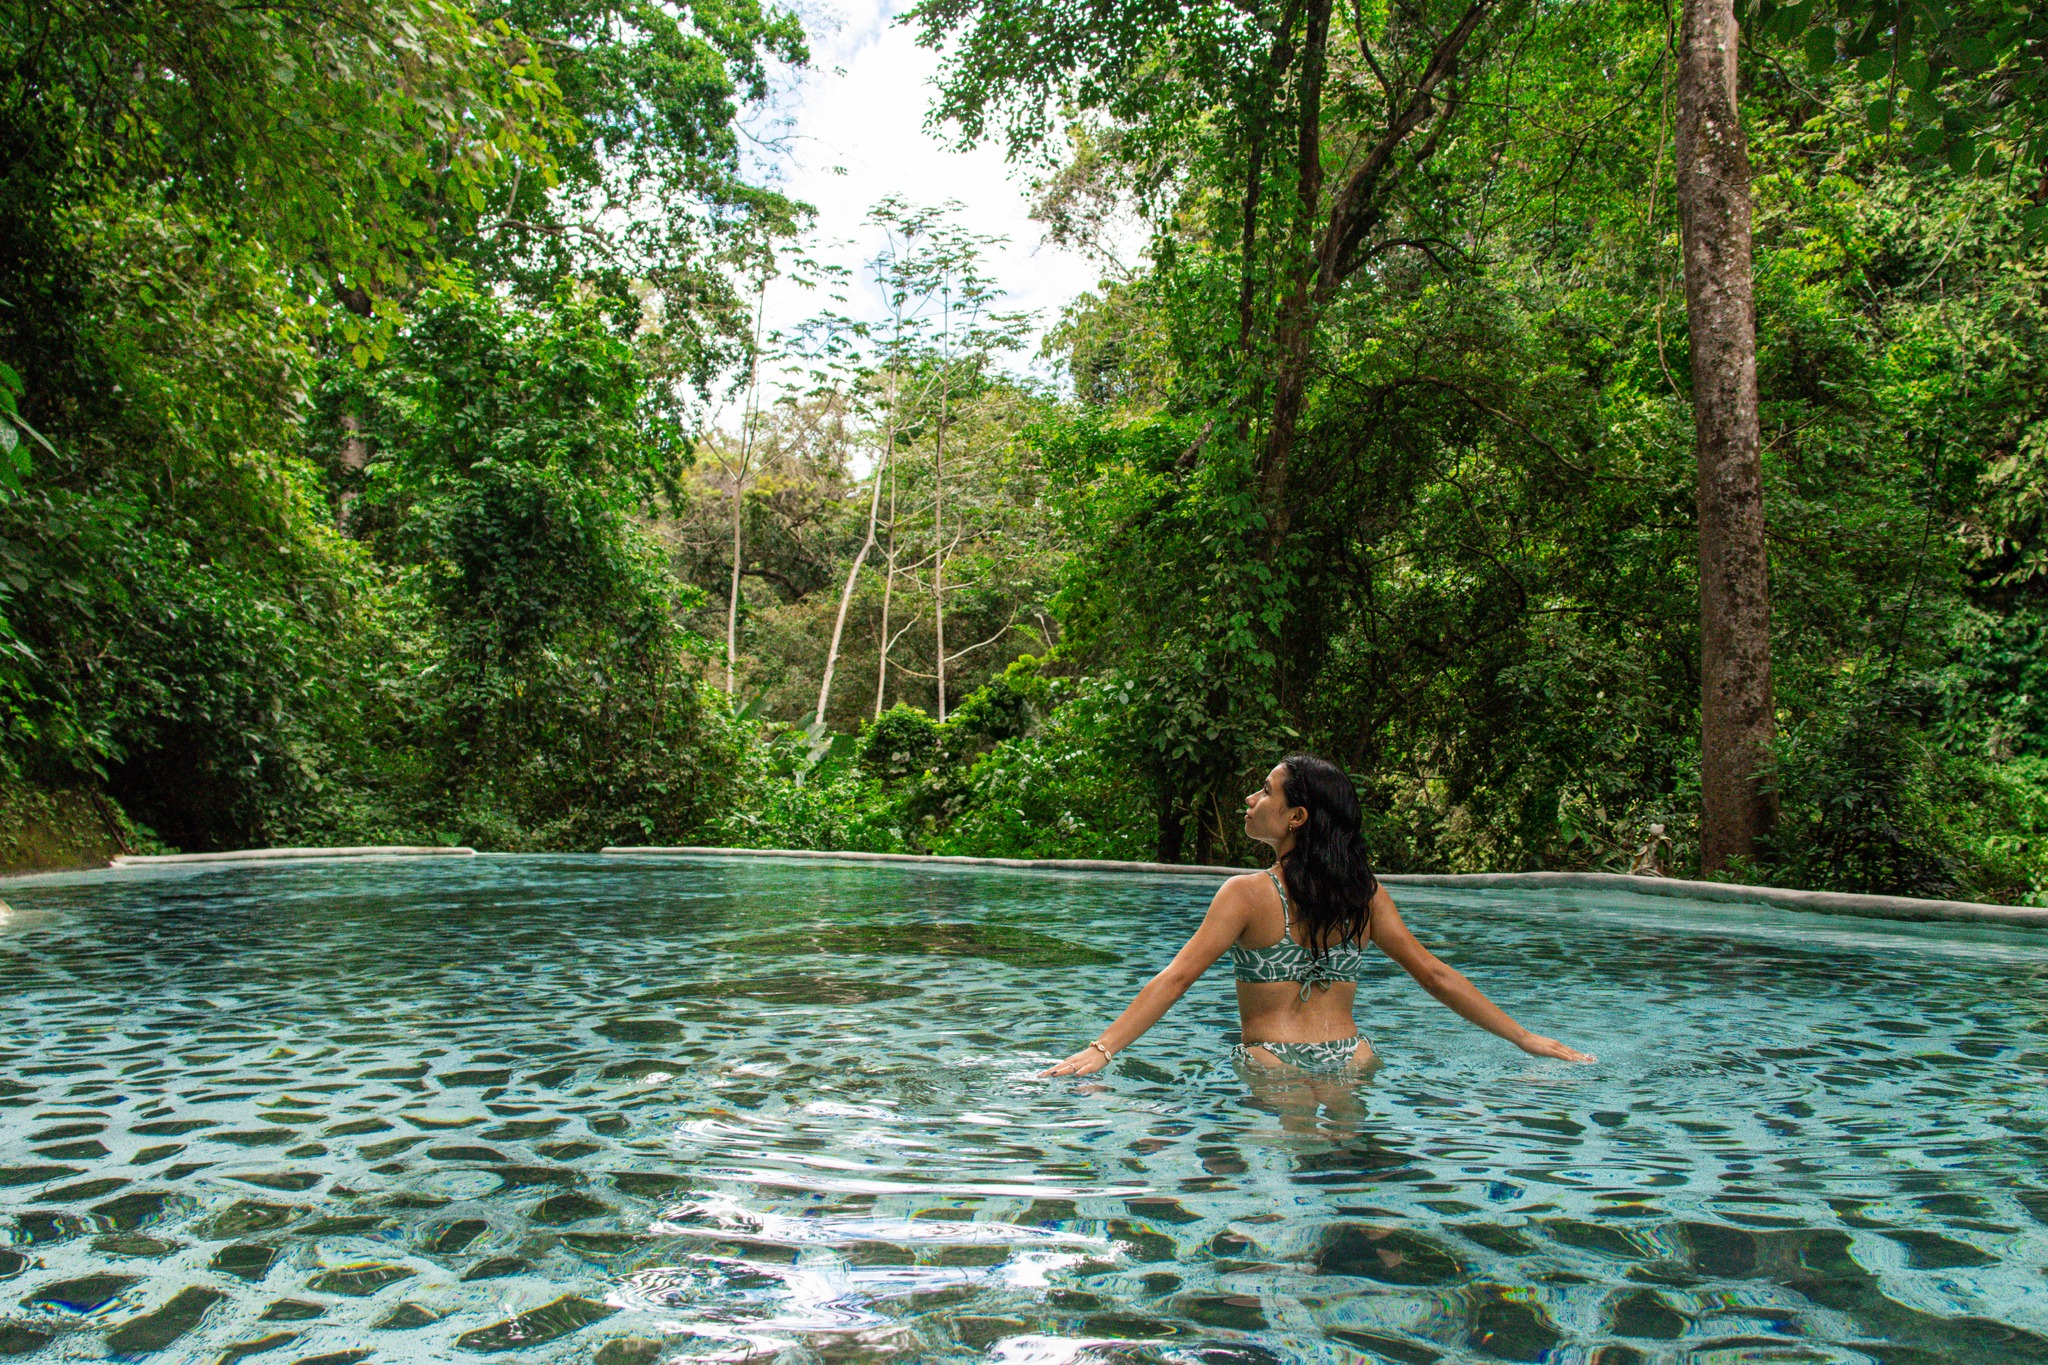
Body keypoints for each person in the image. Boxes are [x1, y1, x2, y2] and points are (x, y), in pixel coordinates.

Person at [1044, 755, 1595, 1077]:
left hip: (1271, 1061)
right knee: (1351, 1190)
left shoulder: (1245, 894)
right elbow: (1434, 974)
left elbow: (1178, 977)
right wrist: (1525, 1038)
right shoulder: (1364, 894)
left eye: (1264, 792)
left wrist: (1101, 1049)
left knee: (1278, 1209)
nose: (1251, 799)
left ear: (1297, 816)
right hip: (1354, 1057)